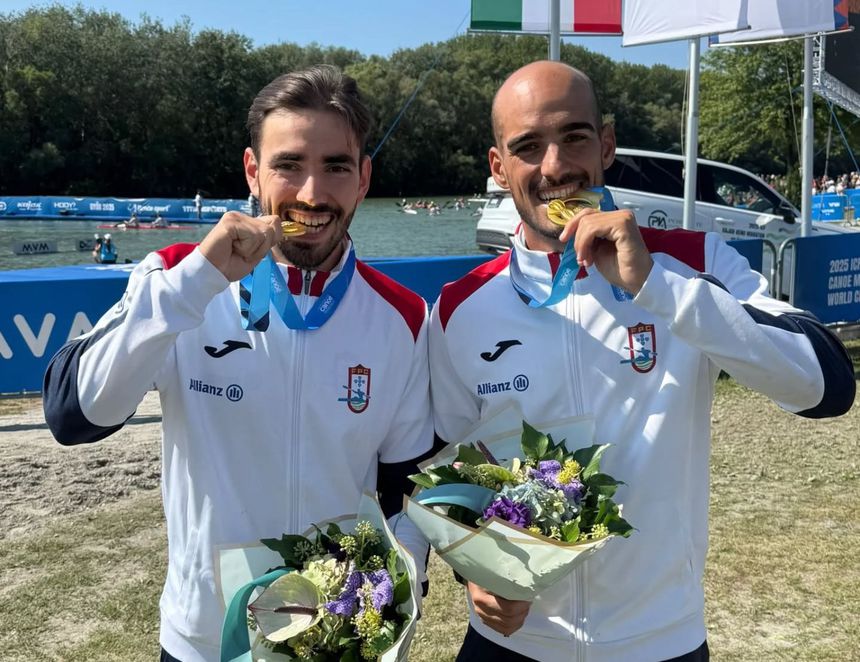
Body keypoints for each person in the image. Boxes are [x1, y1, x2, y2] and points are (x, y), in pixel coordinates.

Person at [428, 60, 856, 662]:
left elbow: (826, 384)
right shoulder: (459, 307)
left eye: (574, 136)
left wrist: (657, 286)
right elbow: (451, 463)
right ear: (499, 167)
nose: (555, 167)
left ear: (605, 144)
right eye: (528, 146)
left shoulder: (692, 261)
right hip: (511, 647)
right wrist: (472, 568)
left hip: (661, 642)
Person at [43, 65, 433, 662]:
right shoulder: (177, 277)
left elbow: (401, 487)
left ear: (363, 179)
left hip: (338, 639)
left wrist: (403, 592)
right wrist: (193, 285)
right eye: (288, 165)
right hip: (205, 641)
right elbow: (75, 415)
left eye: (336, 166)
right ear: (253, 172)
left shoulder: (403, 316)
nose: (311, 193)